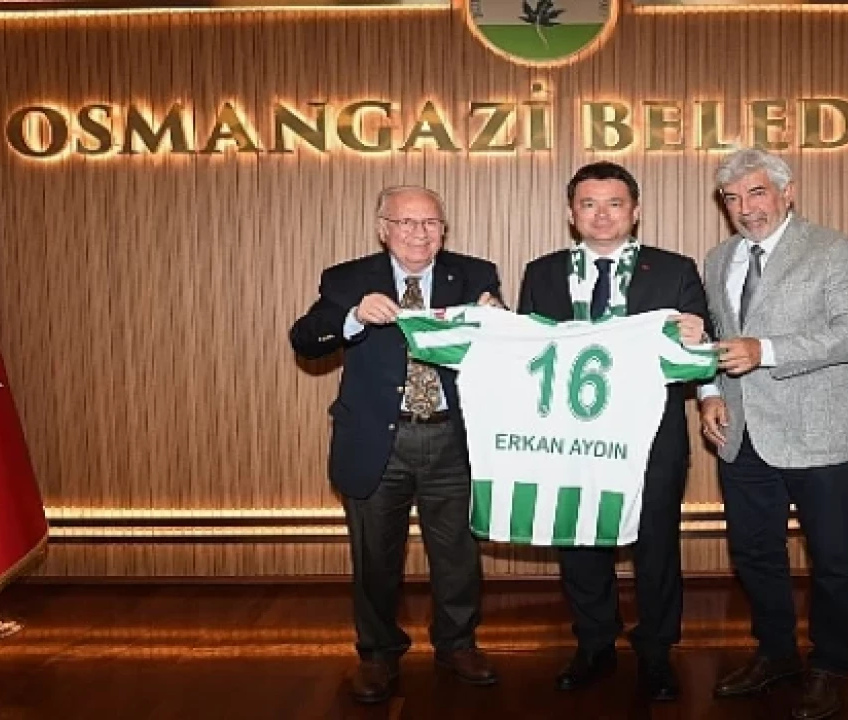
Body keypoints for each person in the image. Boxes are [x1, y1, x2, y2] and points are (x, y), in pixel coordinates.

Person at [289, 185, 501, 704]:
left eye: (430, 223)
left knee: (457, 553)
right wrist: (353, 317)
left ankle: (457, 644)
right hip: (375, 440)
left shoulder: (475, 275)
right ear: (383, 229)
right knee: (375, 557)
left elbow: (503, 351)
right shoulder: (347, 279)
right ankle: (378, 654)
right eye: (406, 222)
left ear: (444, 230)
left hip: (452, 438)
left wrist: (497, 318)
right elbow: (306, 339)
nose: (419, 233)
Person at [517, 161, 709, 702]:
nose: (602, 215)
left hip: (652, 436)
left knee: (656, 547)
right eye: (589, 204)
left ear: (636, 211)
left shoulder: (674, 270)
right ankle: (594, 644)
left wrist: (696, 336)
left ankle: (656, 653)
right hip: (570, 436)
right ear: (571, 214)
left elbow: (702, 354)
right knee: (579, 539)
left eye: (614, 204)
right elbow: (527, 356)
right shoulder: (542, 272)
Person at [699, 148, 848, 720]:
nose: (746, 208)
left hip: (821, 433)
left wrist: (767, 350)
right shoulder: (718, 258)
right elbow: (715, 340)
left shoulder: (833, 249)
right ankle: (775, 654)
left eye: (757, 192)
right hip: (742, 434)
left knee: (831, 559)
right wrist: (707, 395)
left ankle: (830, 666)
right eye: (732, 198)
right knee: (754, 553)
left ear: (787, 192)